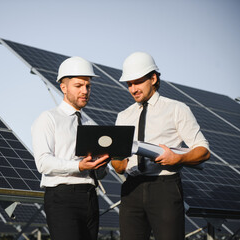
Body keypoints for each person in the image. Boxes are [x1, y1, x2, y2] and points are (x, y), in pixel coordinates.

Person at [111, 52, 210, 240]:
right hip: (131, 189)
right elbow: (120, 167)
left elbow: (203, 150)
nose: (133, 89)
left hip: (164, 187)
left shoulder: (176, 109)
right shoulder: (123, 116)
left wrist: (178, 158)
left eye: (137, 82)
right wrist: (112, 158)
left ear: (153, 78)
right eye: (129, 84)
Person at [31, 56, 109, 240]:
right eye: (78, 85)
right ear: (63, 87)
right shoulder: (48, 118)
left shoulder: (91, 125)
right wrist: (78, 166)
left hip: (90, 197)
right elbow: (42, 162)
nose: (85, 91)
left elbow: (98, 173)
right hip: (62, 198)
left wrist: (103, 164)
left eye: (88, 86)